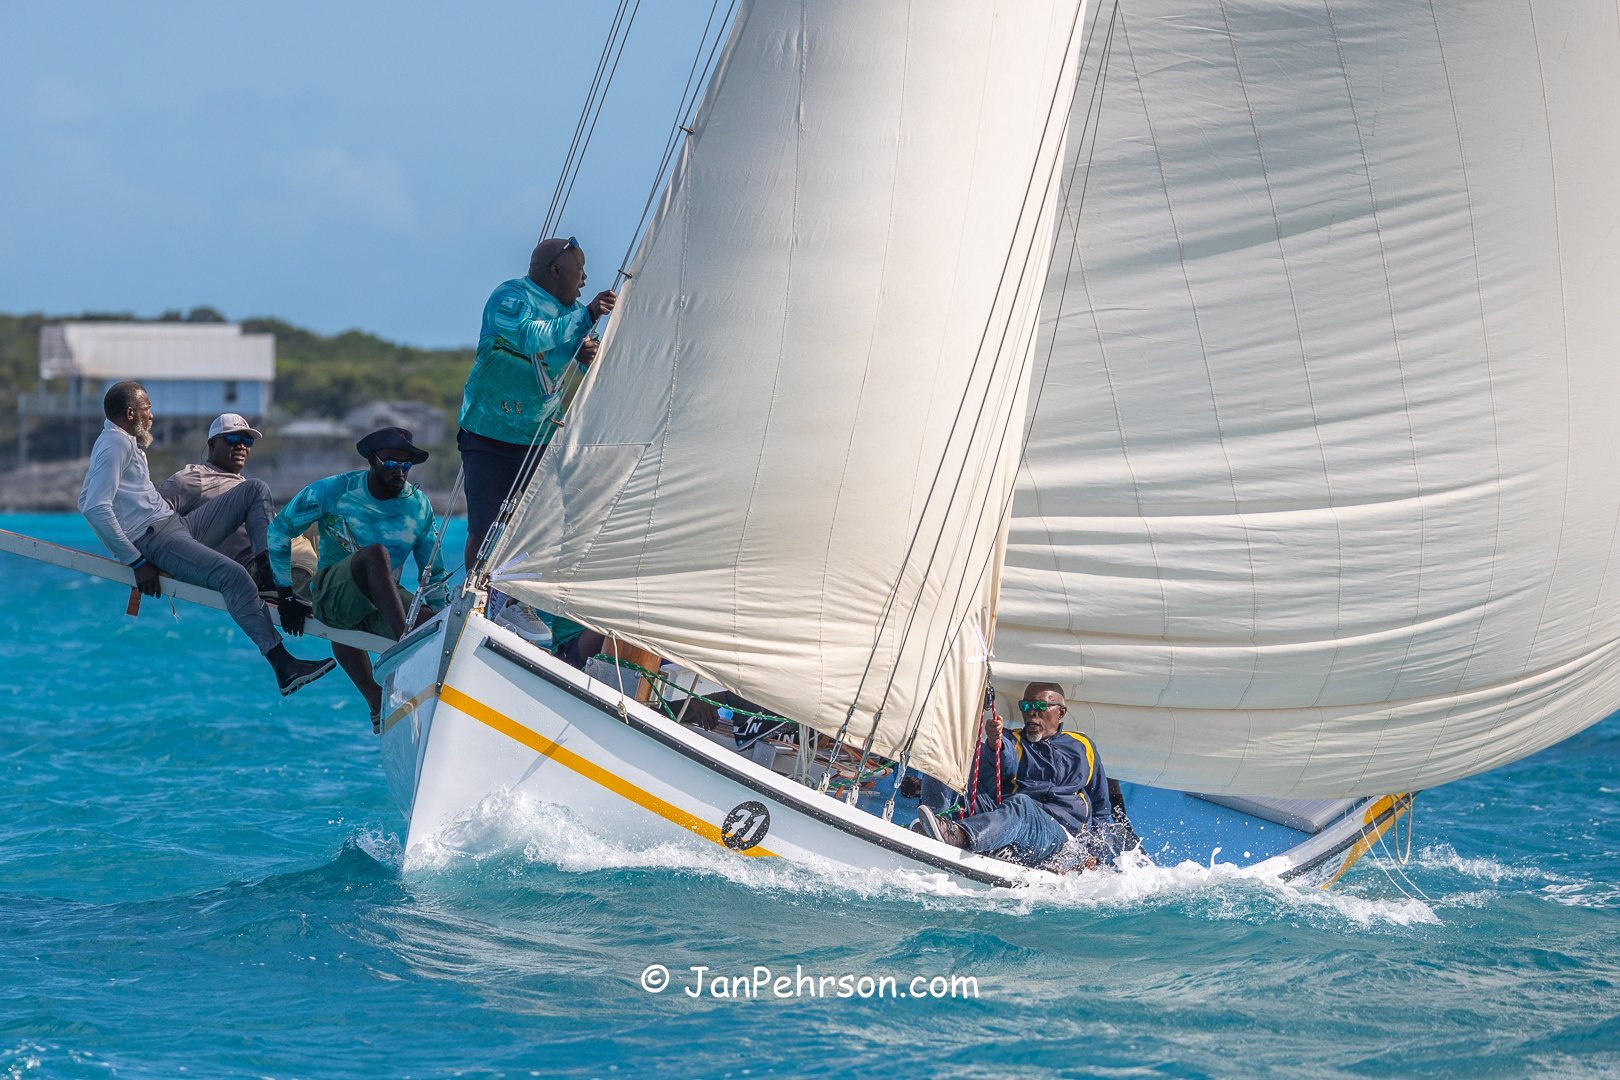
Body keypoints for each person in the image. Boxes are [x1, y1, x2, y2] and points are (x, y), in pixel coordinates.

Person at [77, 381, 335, 696]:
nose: (152, 416)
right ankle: (284, 665)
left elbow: (83, 499)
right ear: (131, 413)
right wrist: (136, 561)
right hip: (155, 538)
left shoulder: (119, 442)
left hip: (172, 526)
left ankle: (269, 578)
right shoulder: (115, 443)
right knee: (234, 576)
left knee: (255, 489)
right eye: (147, 409)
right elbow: (94, 507)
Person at [457, 236, 617, 636]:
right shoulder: (512, 296)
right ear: (556, 271)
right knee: (484, 524)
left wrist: (585, 359)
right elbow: (530, 338)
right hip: (488, 431)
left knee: (536, 526)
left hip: (538, 435)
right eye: (580, 271)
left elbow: (571, 372)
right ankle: (478, 597)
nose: (584, 282)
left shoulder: (574, 314)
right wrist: (586, 317)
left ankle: (515, 601)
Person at [268, 427, 450, 727]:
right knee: (375, 555)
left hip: (383, 603)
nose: (399, 472)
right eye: (391, 464)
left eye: (406, 466)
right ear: (373, 461)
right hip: (330, 595)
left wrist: (442, 620)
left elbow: (435, 574)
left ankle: (388, 704)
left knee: (434, 626)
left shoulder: (419, 506)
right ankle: (401, 650)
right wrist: (285, 594)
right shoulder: (333, 491)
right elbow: (278, 532)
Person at [913, 682, 1115, 869]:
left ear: (1061, 712)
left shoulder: (1083, 746)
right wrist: (995, 743)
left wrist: (1095, 856)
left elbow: (1100, 807)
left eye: (1039, 706)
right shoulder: (1013, 739)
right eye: (1025, 707)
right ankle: (933, 828)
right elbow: (1004, 760)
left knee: (1023, 805)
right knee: (947, 762)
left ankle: (961, 835)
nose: (1031, 713)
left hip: (1057, 836)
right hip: (1011, 820)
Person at [157, 412, 316, 591]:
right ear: (212, 444)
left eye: (247, 441)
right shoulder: (194, 477)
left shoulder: (242, 484)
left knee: (326, 518)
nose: (241, 446)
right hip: (259, 563)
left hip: (291, 543)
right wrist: (146, 563)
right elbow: (150, 518)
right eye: (233, 438)